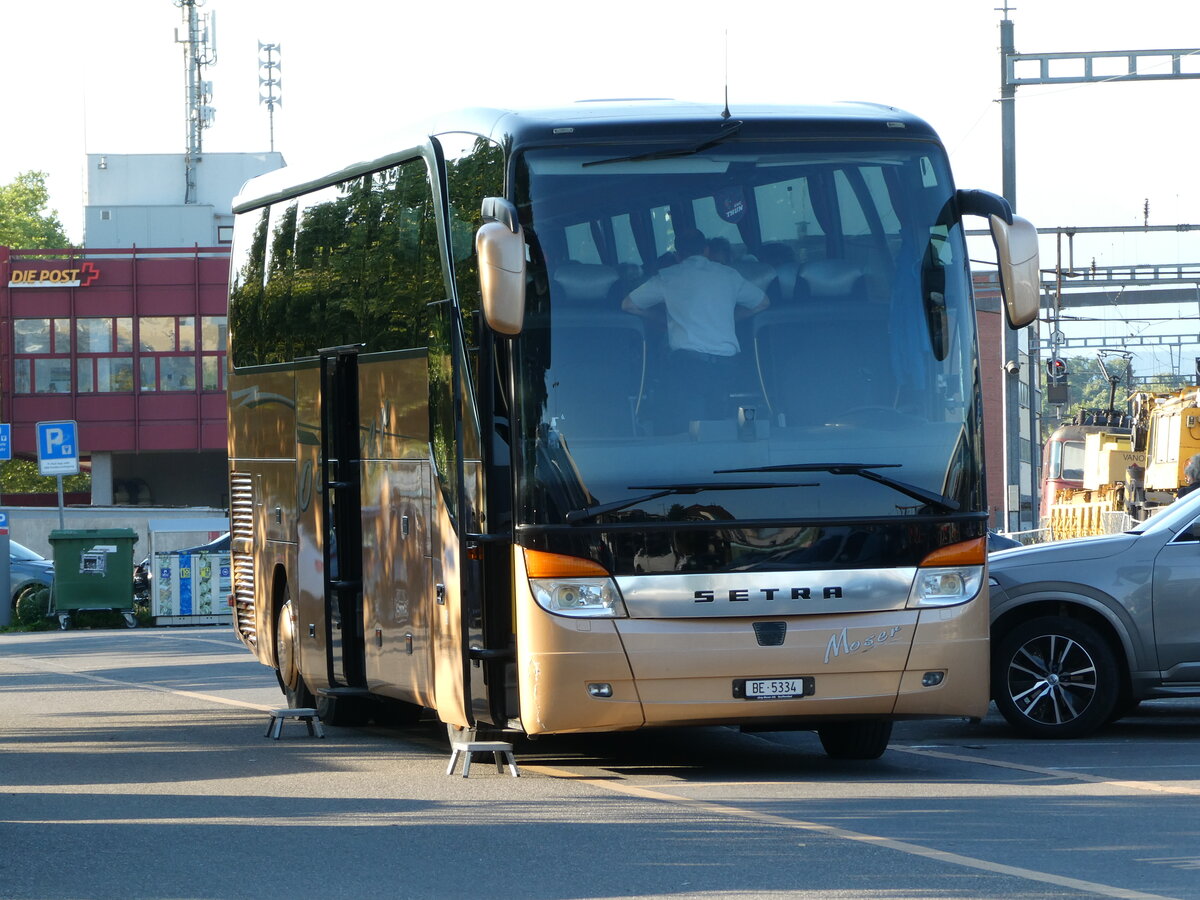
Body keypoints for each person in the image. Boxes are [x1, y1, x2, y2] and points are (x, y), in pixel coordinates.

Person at [622, 228, 768, 426]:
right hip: (727, 365)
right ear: (706, 250)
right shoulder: (729, 275)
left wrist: (661, 318)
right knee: (722, 425)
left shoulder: (668, 276)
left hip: (687, 365)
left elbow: (628, 305)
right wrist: (728, 318)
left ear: (677, 255)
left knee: (693, 427)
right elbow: (762, 303)